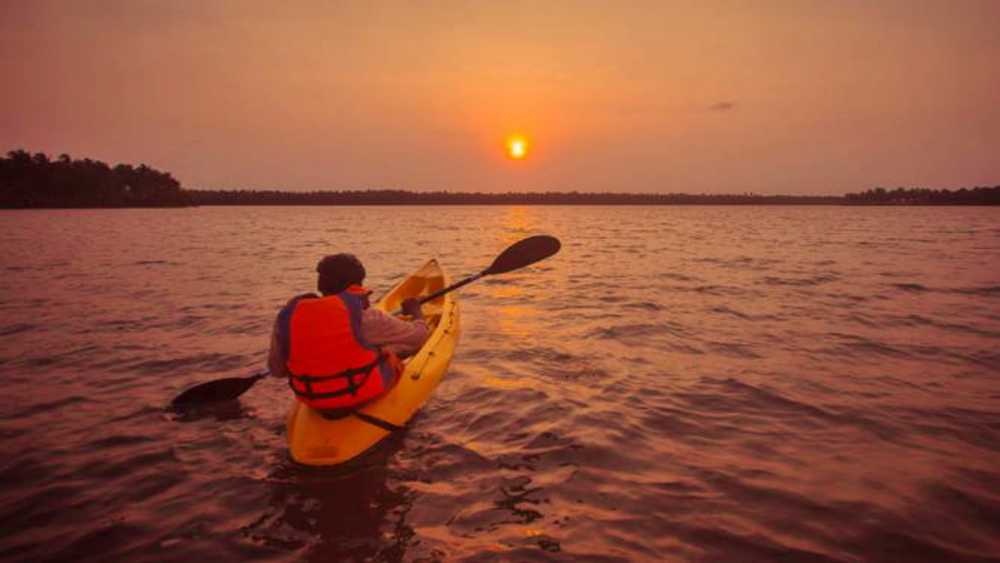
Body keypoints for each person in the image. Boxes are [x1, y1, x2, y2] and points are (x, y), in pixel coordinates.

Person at [268, 253, 429, 412]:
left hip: (312, 400)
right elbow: (419, 336)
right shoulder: (367, 318)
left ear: (320, 286)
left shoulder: (288, 317)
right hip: (360, 394)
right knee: (388, 351)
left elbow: (277, 370)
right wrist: (416, 312)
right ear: (357, 285)